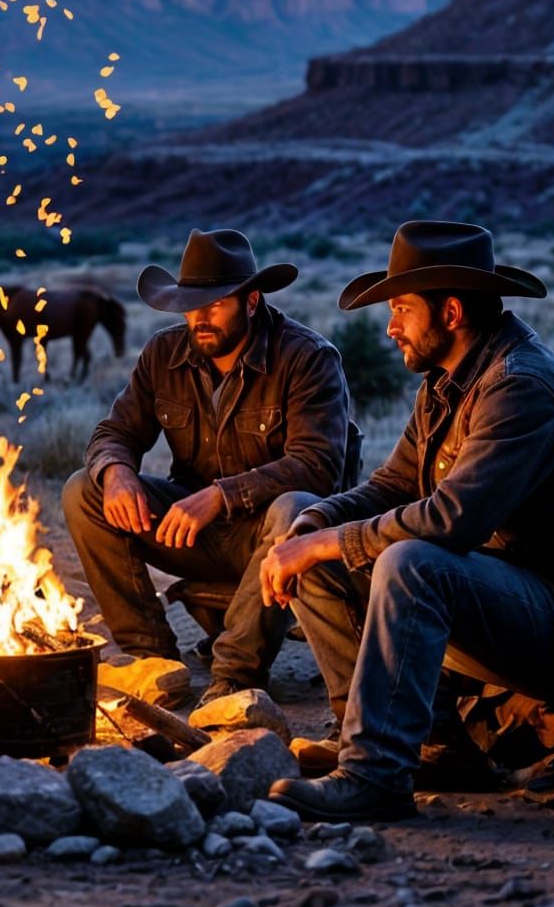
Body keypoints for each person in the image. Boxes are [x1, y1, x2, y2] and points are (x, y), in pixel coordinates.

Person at [262, 221, 554, 823]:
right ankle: (420, 745)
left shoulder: (521, 388)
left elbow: (450, 522)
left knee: (412, 563)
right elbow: (392, 487)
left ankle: (375, 775)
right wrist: (315, 521)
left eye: (401, 310)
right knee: (296, 518)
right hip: (507, 595)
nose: (390, 328)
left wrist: (326, 544)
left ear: (452, 312)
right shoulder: (446, 384)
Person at [63, 228, 353, 702]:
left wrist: (222, 495)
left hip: (272, 537)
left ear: (252, 301)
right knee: (84, 490)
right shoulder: (163, 354)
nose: (200, 318)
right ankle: (151, 660)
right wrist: (117, 473)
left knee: (295, 508)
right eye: (190, 305)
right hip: (190, 531)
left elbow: (317, 466)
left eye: (215, 304)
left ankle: (234, 678)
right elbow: (115, 433)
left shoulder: (307, 359)